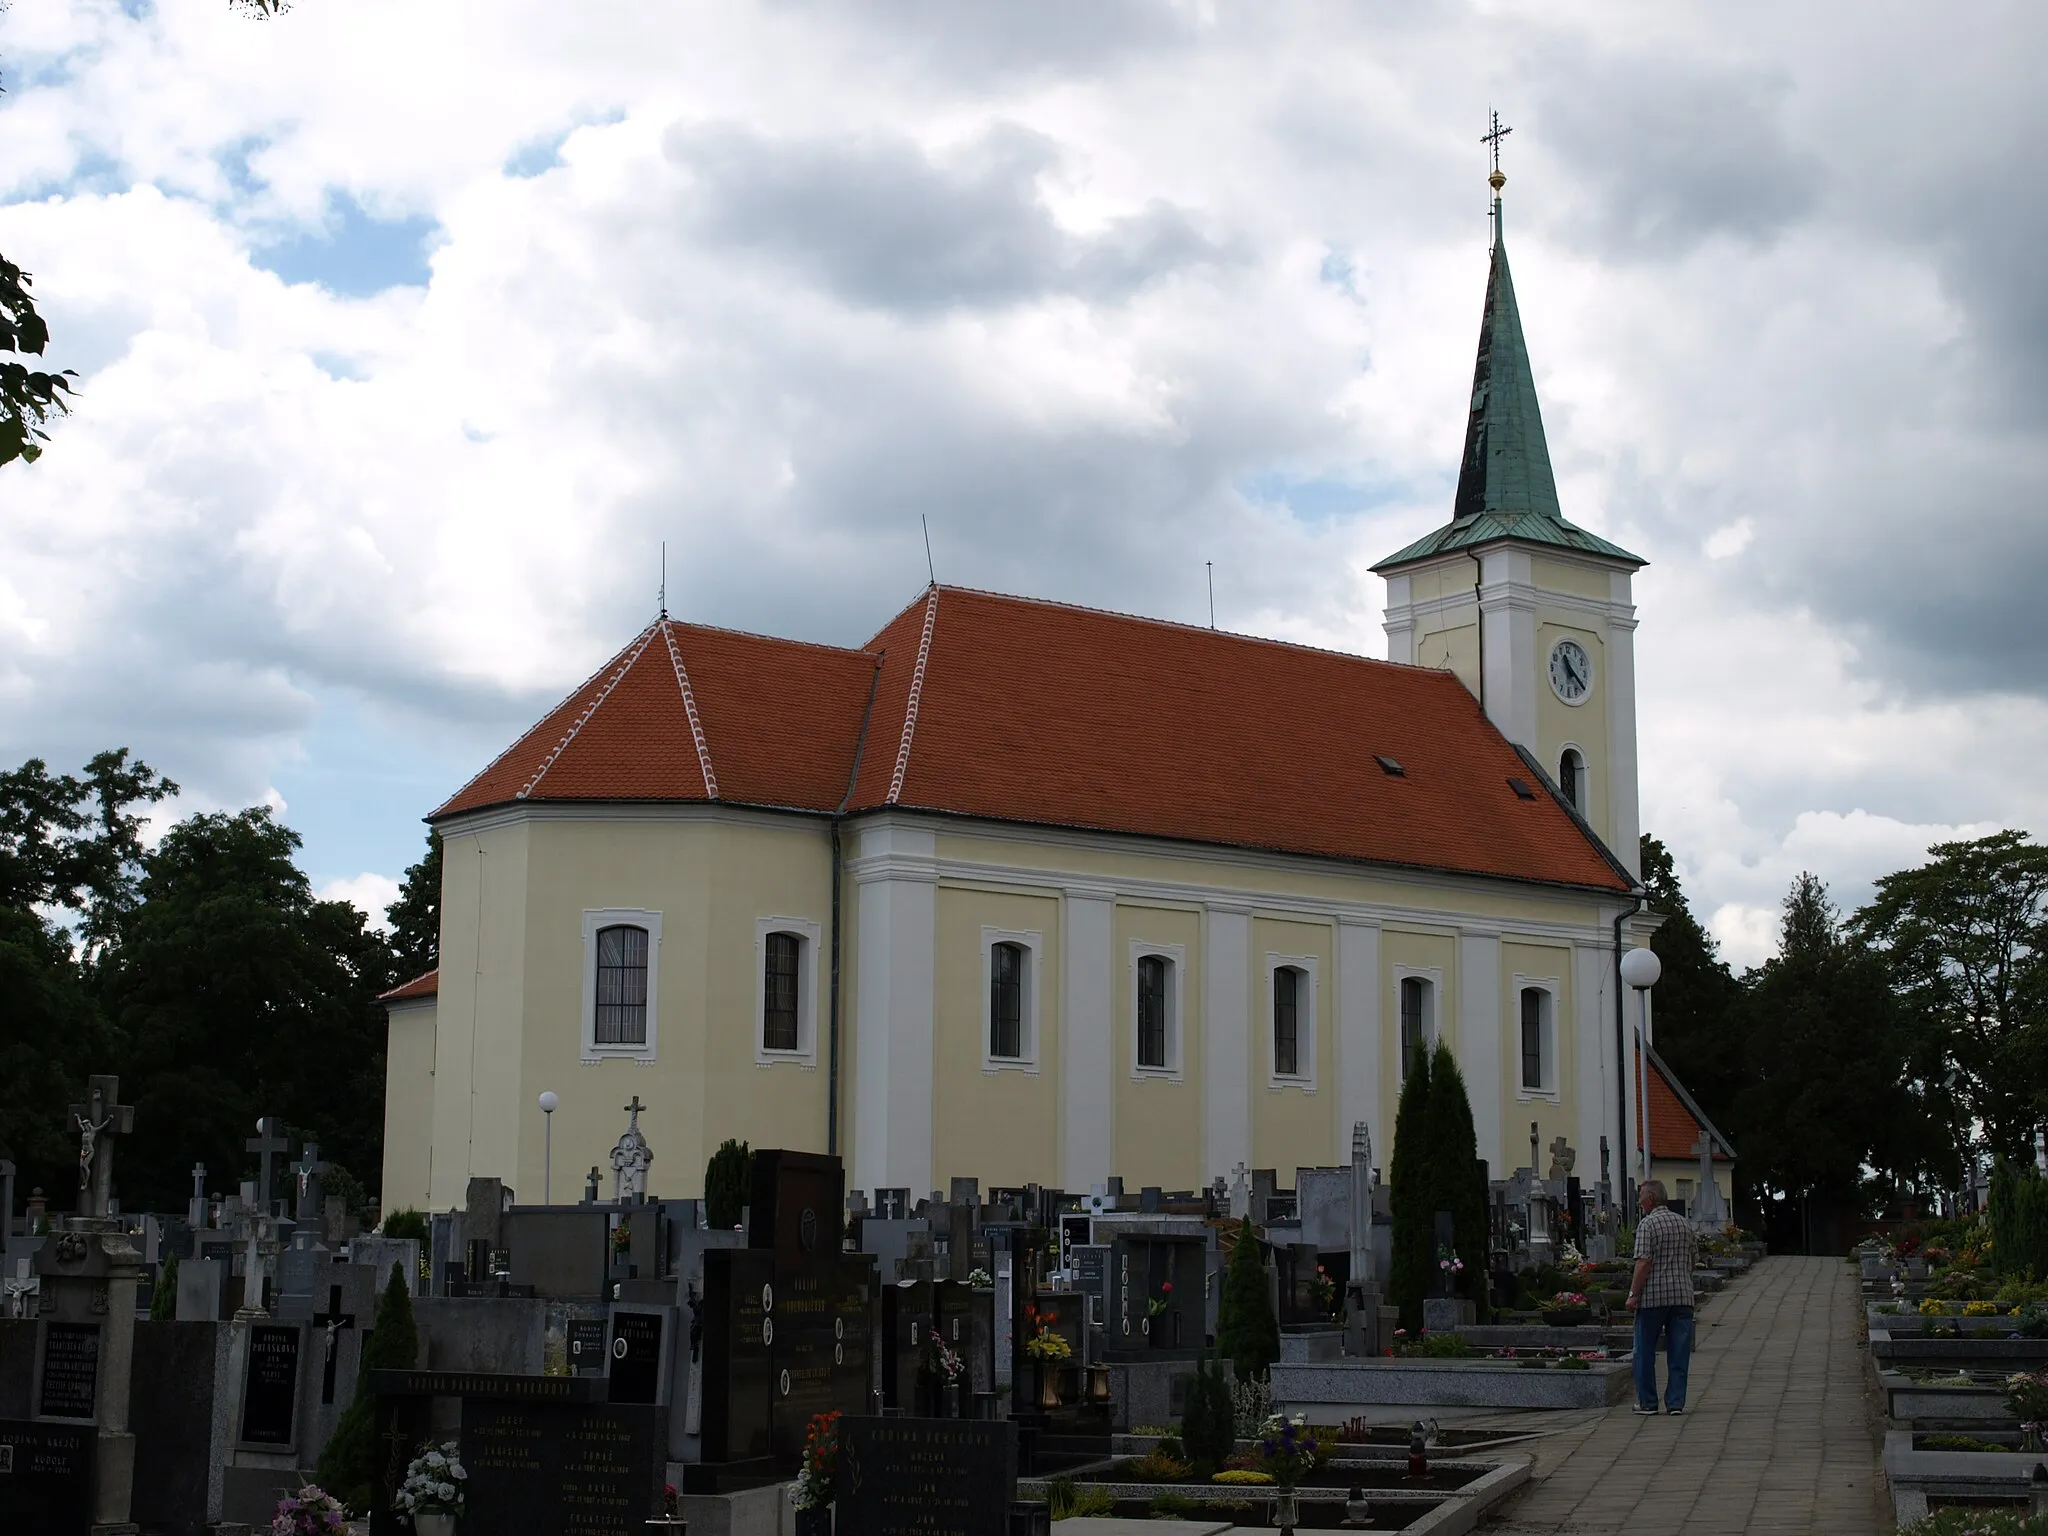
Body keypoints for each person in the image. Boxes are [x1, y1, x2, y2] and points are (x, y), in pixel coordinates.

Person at [1626, 1179, 1697, 1415]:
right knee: (1679, 1353)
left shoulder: (1648, 1225)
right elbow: (1692, 1259)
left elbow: (1644, 1262)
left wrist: (1633, 1294)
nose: (1639, 1201)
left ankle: (1648, 1402)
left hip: (1653, 1298)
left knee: (1644, 1351)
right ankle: (1676, 1403)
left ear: (1651, 1199)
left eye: (1641, 1196)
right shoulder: (1684, 1223)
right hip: (1682, 1296)